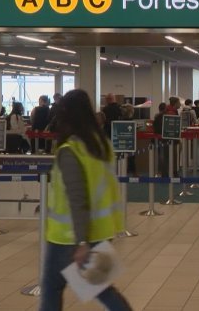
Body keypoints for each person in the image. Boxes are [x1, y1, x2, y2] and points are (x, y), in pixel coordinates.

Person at [40, 89, 132, 311]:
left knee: (53, 287)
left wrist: (81, 242)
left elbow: (77, 197)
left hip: (70, 238)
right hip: (101, 231)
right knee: (100, 288)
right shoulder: (102, 146)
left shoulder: (70, 151)